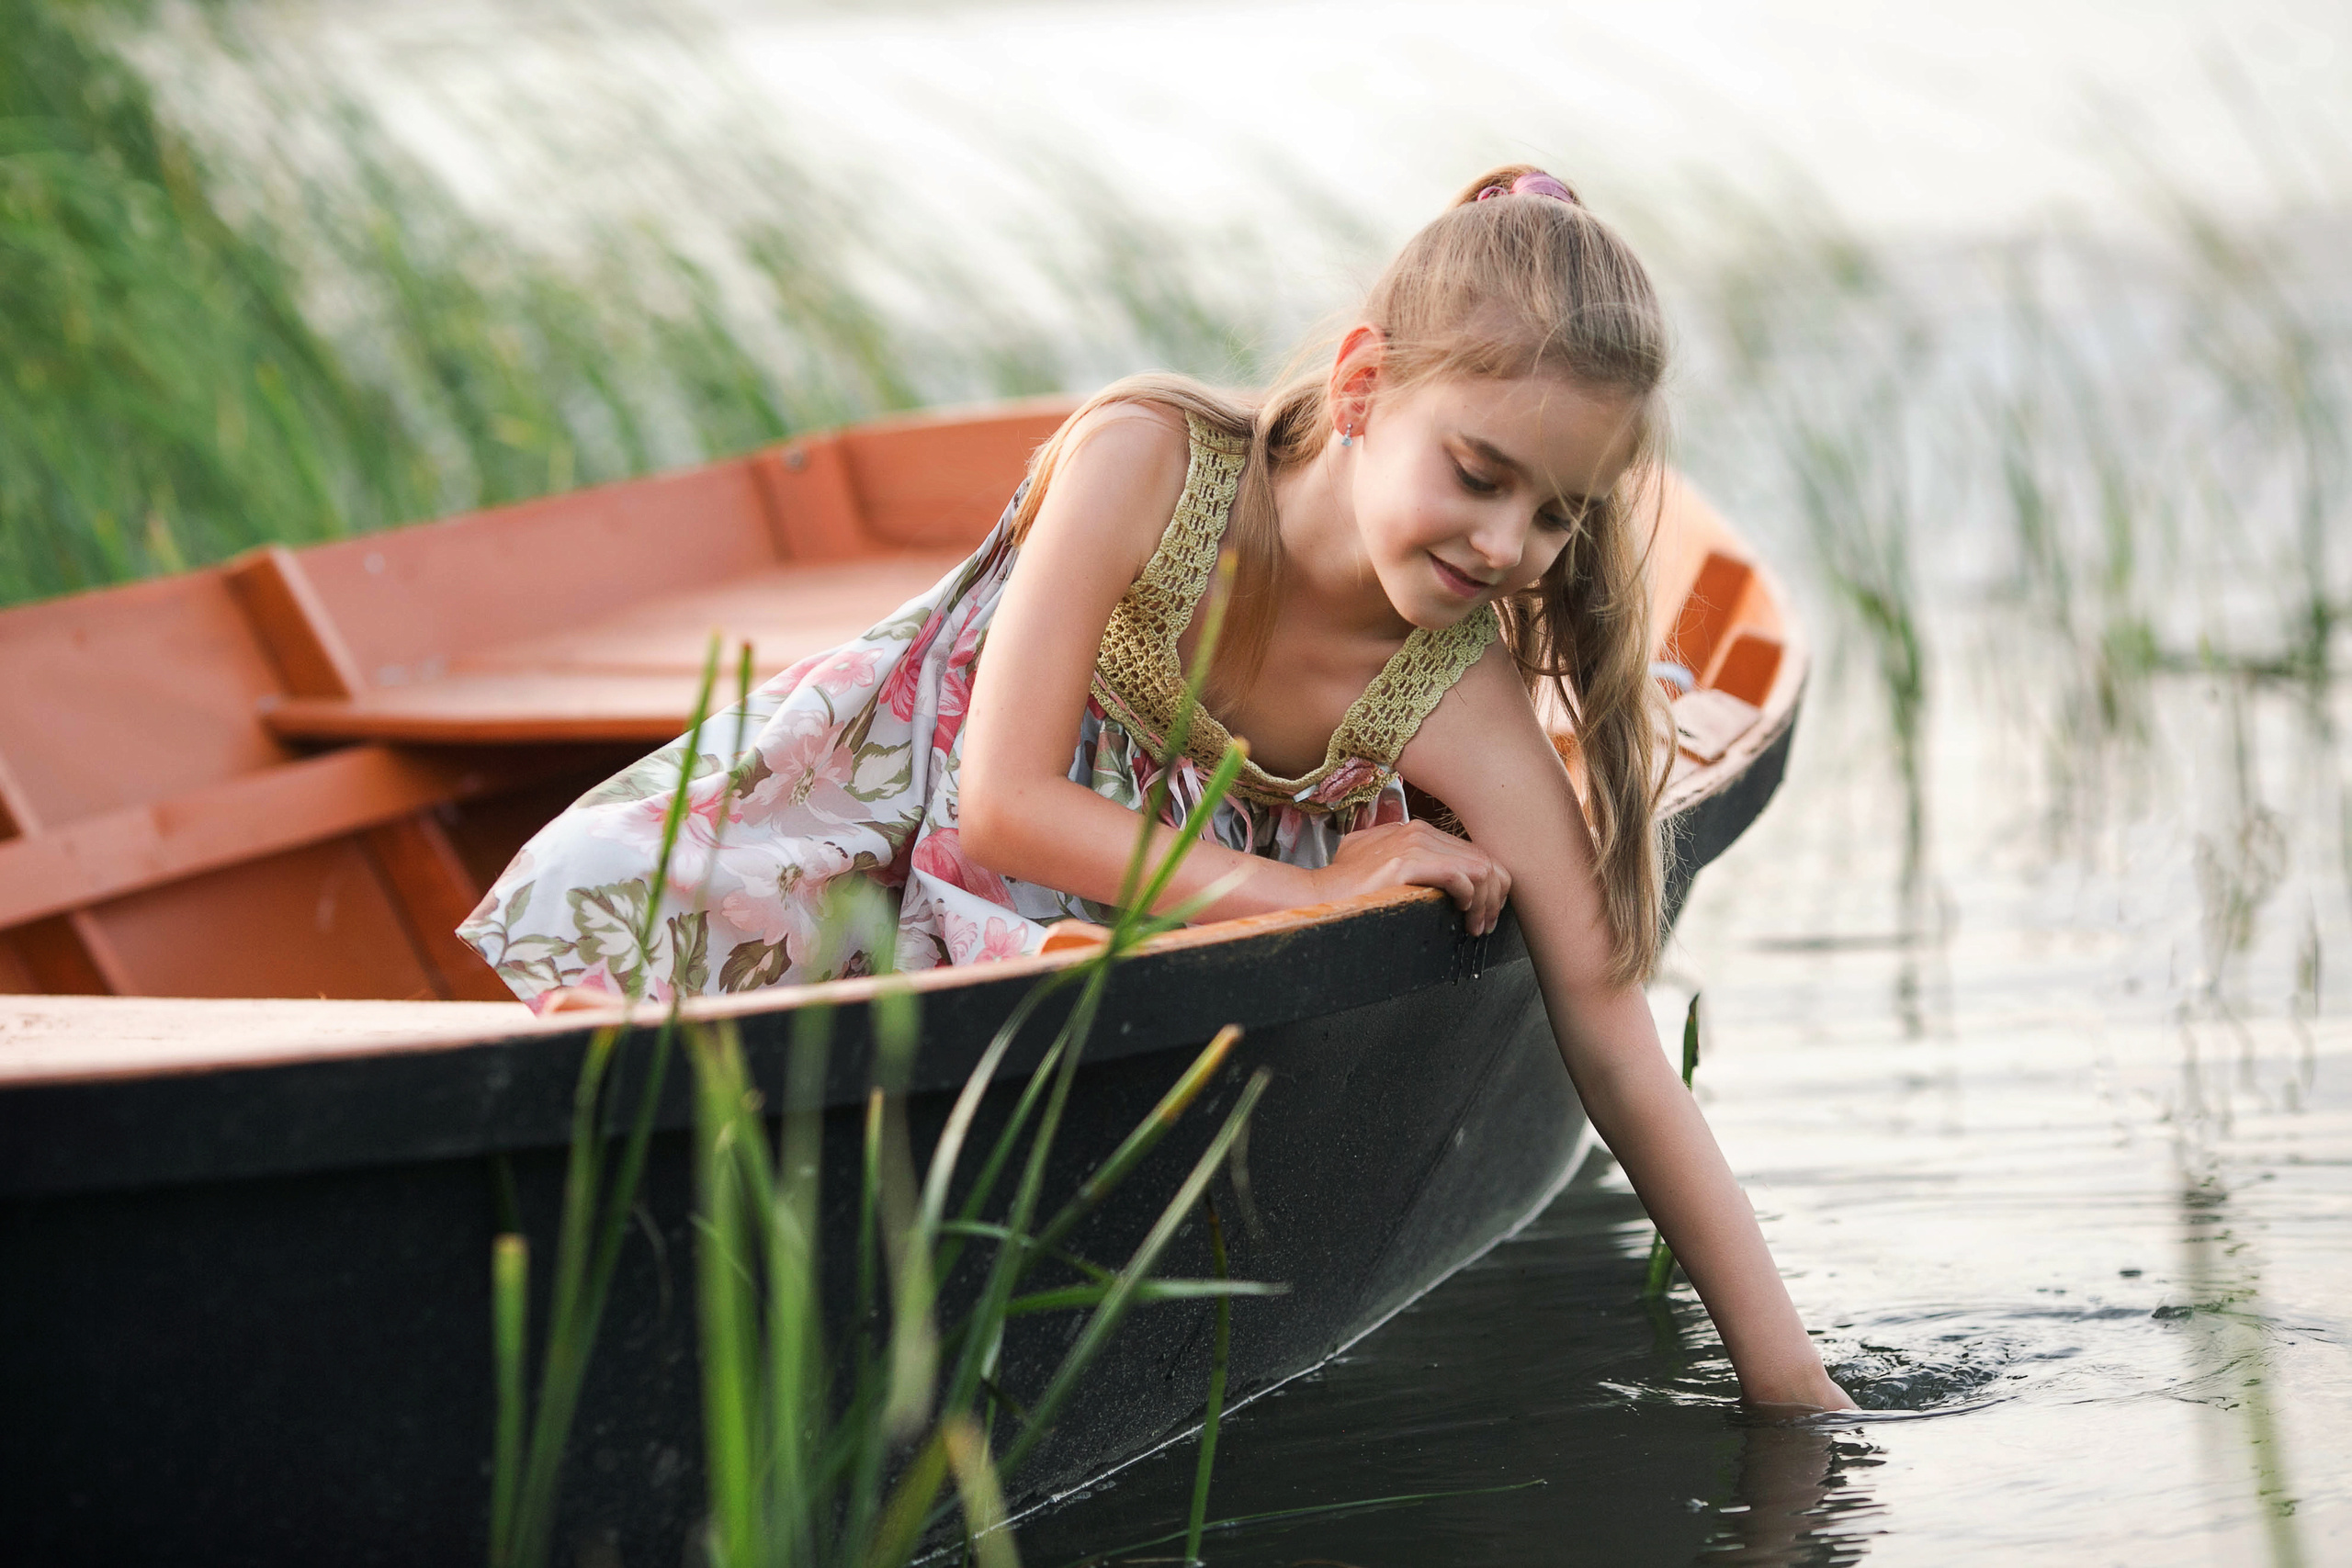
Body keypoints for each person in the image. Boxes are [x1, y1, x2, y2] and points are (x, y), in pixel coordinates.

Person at [458, 165, 1856, 1413]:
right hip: (909, 816)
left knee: (1043, 1017)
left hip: (1110, 921)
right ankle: (602, 1144)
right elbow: (1002, 802)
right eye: (1479, 475)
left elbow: (1615, 1042)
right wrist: (1304, 890)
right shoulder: (1149, 462)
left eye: (1557, 514)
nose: (1507, 546)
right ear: (1363, 389)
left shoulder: (1451, 687)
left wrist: (1793, 1388)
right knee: (628, 907)